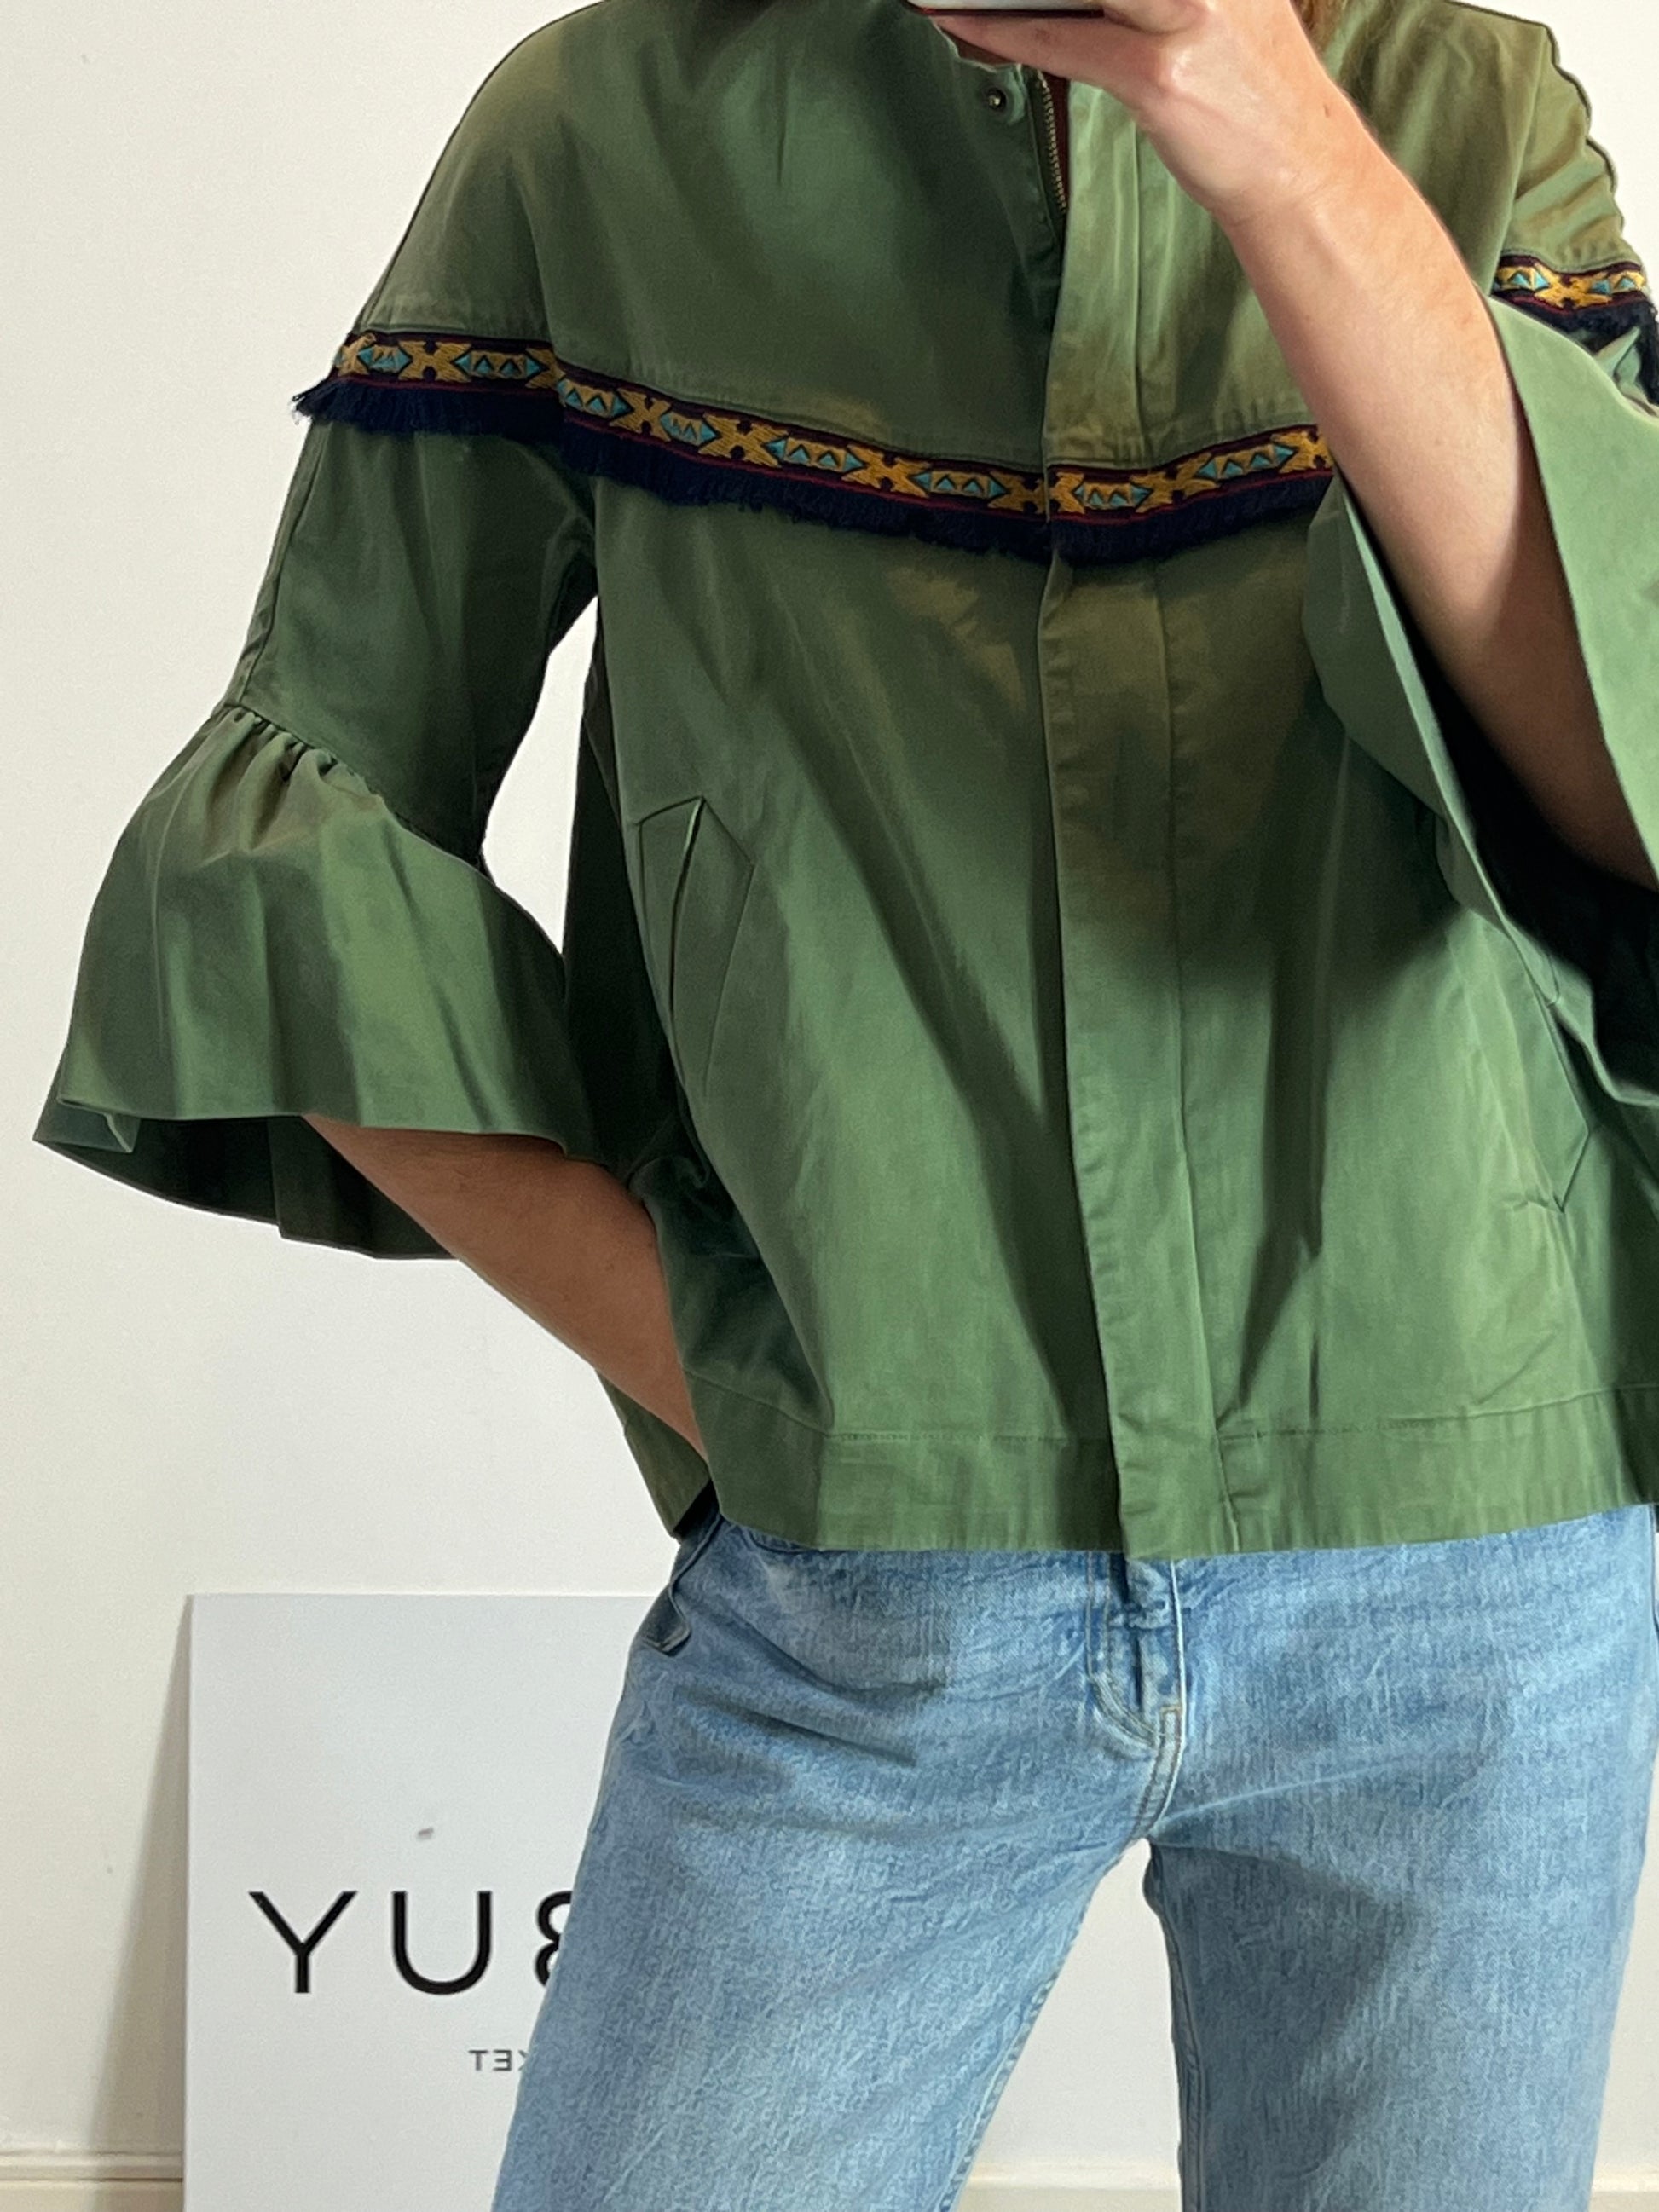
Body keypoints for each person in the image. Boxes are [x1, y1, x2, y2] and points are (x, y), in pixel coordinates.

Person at [32, 0, 1659, 2203]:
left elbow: (1622, 767)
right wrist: (745, 1373)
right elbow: (288, 847)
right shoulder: (599, 133)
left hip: (1473, 1565)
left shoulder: (1458, 106)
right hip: (869, 1603)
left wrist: (1248, 96)